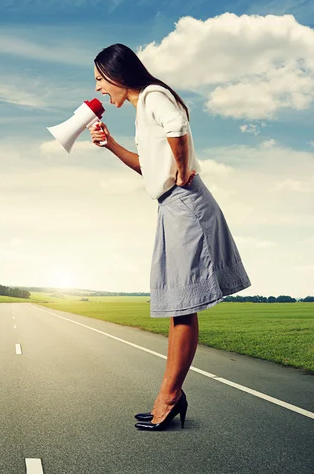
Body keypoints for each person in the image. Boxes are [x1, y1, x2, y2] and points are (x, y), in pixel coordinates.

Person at [89, 43, 250, 431]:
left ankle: (169, 396)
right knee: (180, 304)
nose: (98, 89)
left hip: (184, 203)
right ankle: (170, 394)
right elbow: (148, 167)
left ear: (116, 74)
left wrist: (181, 169)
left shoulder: (153, 96)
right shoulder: (141, 109)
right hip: (171, 206)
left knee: (182, 305)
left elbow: (178, 127)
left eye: (99, 80)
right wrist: (111, 145)